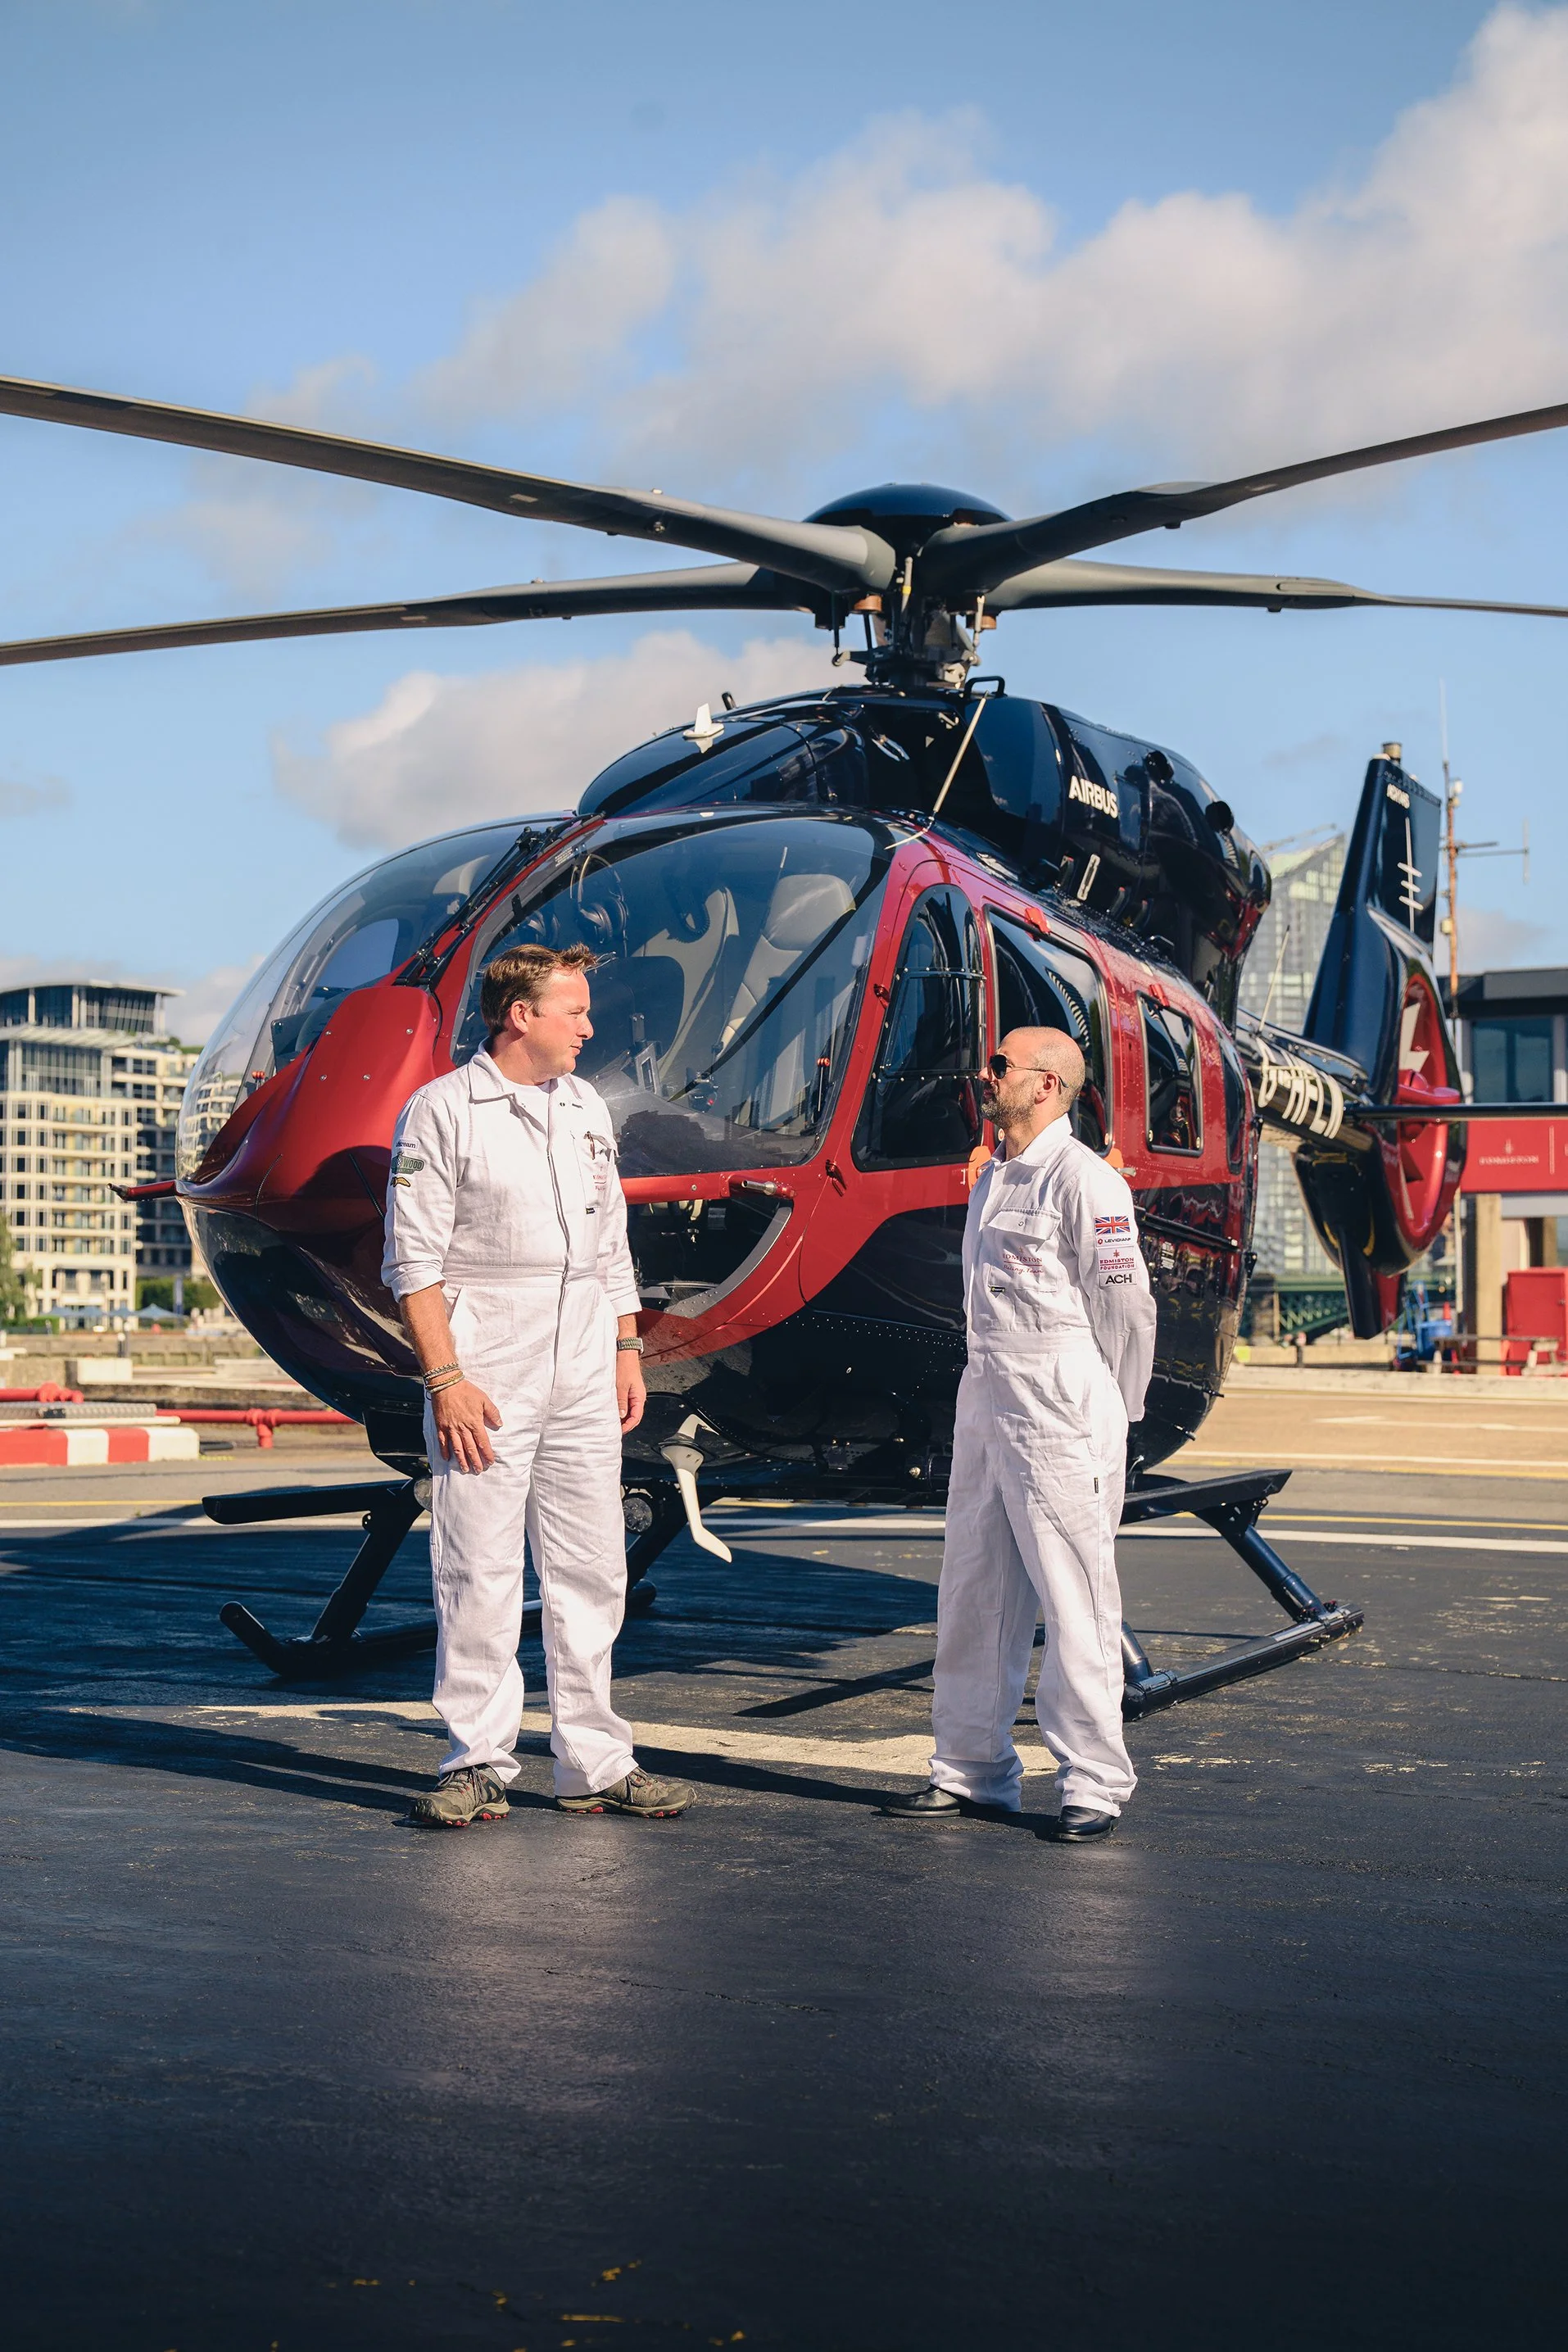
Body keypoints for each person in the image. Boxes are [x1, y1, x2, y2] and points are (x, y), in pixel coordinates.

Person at [383, 941, 692, 1829]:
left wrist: (628, 1346)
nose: (588, 1028)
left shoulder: (586, 1107)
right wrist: (446, 1380)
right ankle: (478, 1759)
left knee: (592, 1567)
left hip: (585, 1350)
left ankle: (594, 1761)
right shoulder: (443, 1112)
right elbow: (414, 1261)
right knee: (478, 1565)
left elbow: (610, 1243)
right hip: (490, 1356)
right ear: (520, 1016)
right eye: (575, 1012)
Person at [882, 1027, 1156, 1842]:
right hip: (990, 1393)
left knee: (1075, 1599)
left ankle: (1095, 1782)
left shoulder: (1088, 1182)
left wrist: (1115, 1407)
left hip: (1061, 1397)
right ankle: (971, 1770)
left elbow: (1125, 1309)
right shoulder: (996, 1174)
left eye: (1000, 1065)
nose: (984, 1072)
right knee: (973, 1592)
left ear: (1046, 1086)